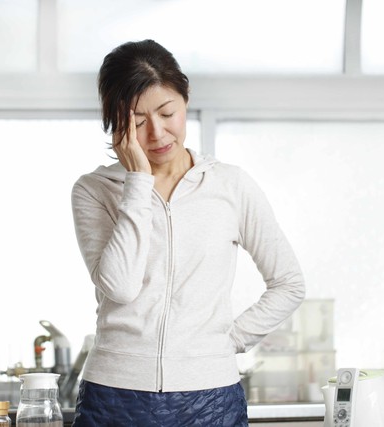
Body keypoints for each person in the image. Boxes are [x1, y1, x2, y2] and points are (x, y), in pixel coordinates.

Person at [70, 39, 305, 426]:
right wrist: (138, 183)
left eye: (167, 113)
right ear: (117, 123)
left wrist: (225, 342)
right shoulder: (94, 190)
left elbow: (289, 284)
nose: (157, 133)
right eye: (138, 122)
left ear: (186, 97)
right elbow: (121, 287)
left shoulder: (230, 185)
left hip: (211, 394)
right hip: (114, 393)